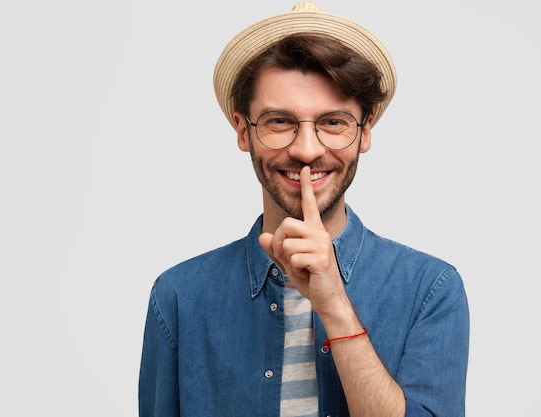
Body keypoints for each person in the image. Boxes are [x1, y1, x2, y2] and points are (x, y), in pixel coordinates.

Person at [138, 3, 469, 417]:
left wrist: (335, 306)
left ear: (364, 132)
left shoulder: (431, 290)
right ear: (244, 132)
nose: (307, 150)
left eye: (333, 122)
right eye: (279, 121)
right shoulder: (178, 297)